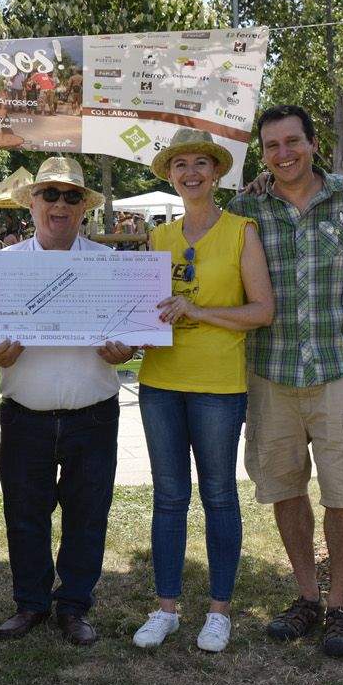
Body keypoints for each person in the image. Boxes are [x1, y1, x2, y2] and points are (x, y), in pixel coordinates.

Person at [227, 106, 343, 658]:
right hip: (269, 369)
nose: (284, 153)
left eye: (293, 141)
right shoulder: (245, 206)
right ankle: (307, 595)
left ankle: (341, 605)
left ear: (314, 143)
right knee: (284, 486)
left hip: (337, 364)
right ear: (262, 153)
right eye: (272, 146)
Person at [0, 157, 134, 647]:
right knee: (24, 514)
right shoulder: (1, 267)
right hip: (25, 414)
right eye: (49, 194)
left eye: (71, 196)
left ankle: (73, 606)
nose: (60, 205)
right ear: (31, 203)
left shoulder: (109, 267)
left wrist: (126, 347)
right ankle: (30, 603)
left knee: (88, 513)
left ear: (84, 207)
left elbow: (132, 336)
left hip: (94, 414)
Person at [133, 128, 273, 655]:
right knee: (168, 498)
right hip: (160, 382)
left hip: (218, 384)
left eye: (200, 164)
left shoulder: (242, 231)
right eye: (180, 165)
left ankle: (218, 612)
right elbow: (142, 309)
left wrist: (198, 311)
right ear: (170, 176)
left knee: (218, 495)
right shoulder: (158, 238)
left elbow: (262, 310)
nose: (190, 173)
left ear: (216, 173)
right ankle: (166, 608)